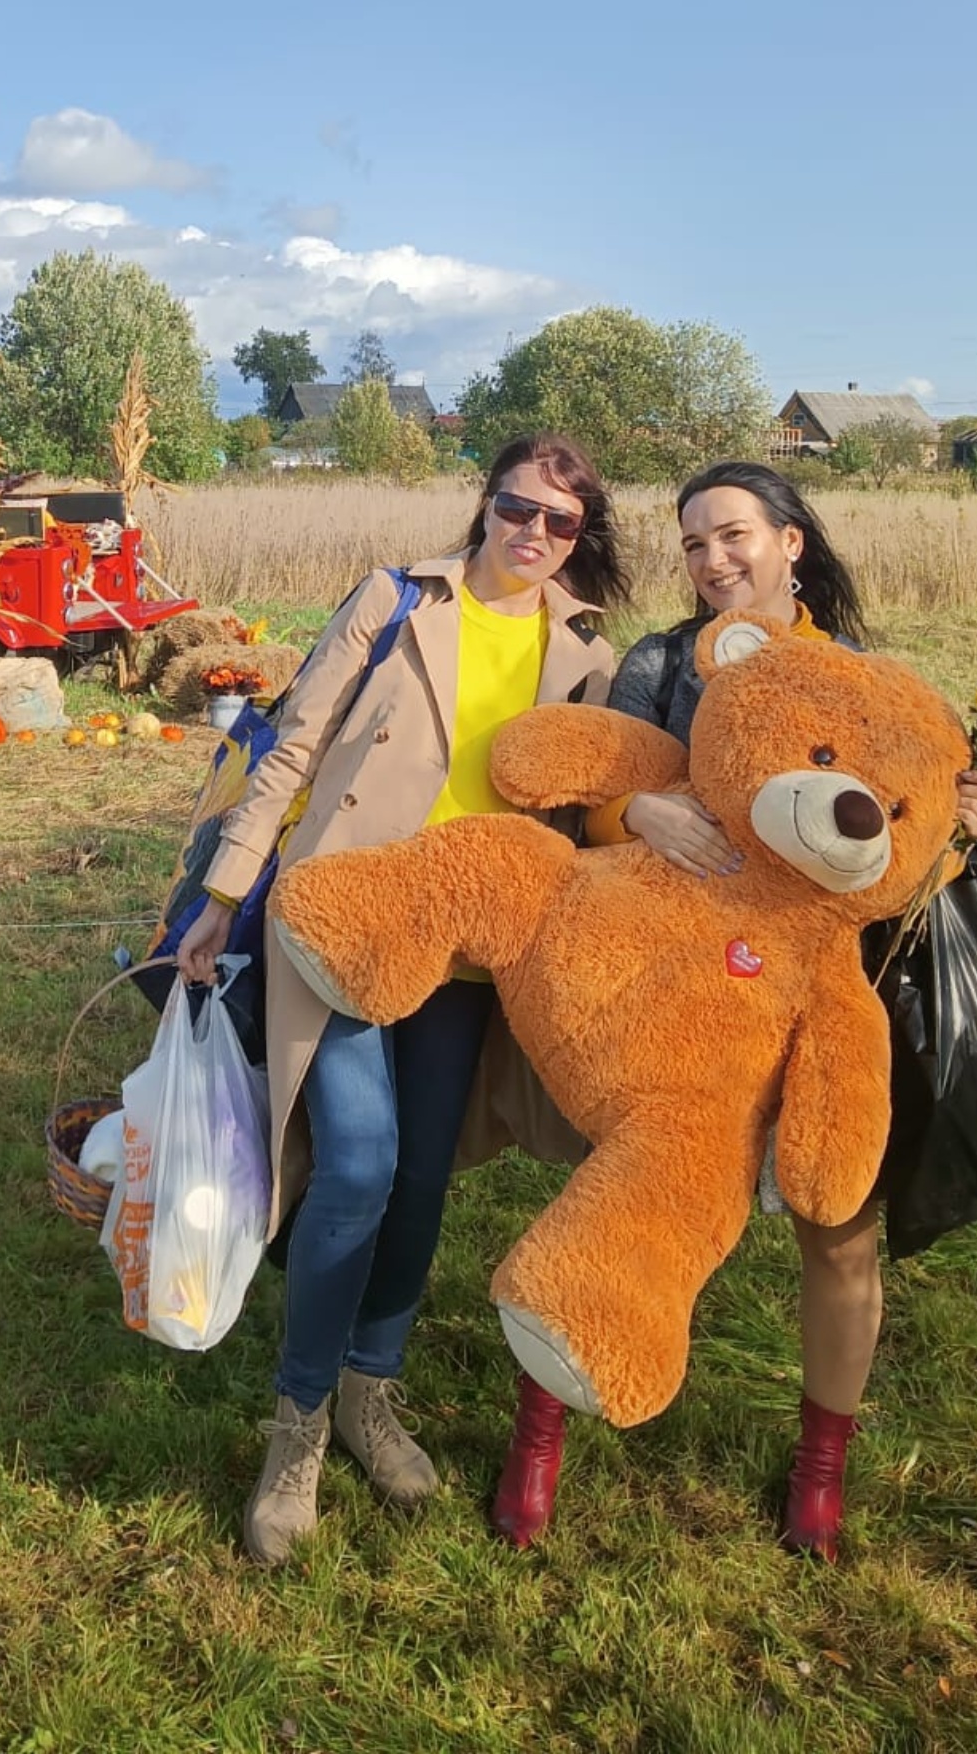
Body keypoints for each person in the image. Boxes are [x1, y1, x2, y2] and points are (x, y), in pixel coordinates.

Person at [490, 459, 977, 1562]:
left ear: (790, 543)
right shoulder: (662, 662)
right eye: (693, 544)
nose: (713, 560)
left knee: (839, 1230)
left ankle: (821, 1466)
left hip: (824, 997)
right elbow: (590, 798)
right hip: (685, 1007)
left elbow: (900, 849)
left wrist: (967, 824)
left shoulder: (864, 676)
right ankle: (539, 1432)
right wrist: (637, 812)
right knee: (629, 1199)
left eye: (733, 536)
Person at [175, 433, 631, 1564]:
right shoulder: (393, 599)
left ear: (580, 536)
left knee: (421, 1176)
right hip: (344, 926)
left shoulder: (586, 653)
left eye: (559, 521)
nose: (532, 532)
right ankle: (301, 1425)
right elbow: (290, 746)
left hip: (473, 961)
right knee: (361, 1163)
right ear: (486, 505)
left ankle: (374, 1393)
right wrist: (226, 892)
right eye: (516, 506)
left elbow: (608, 804)